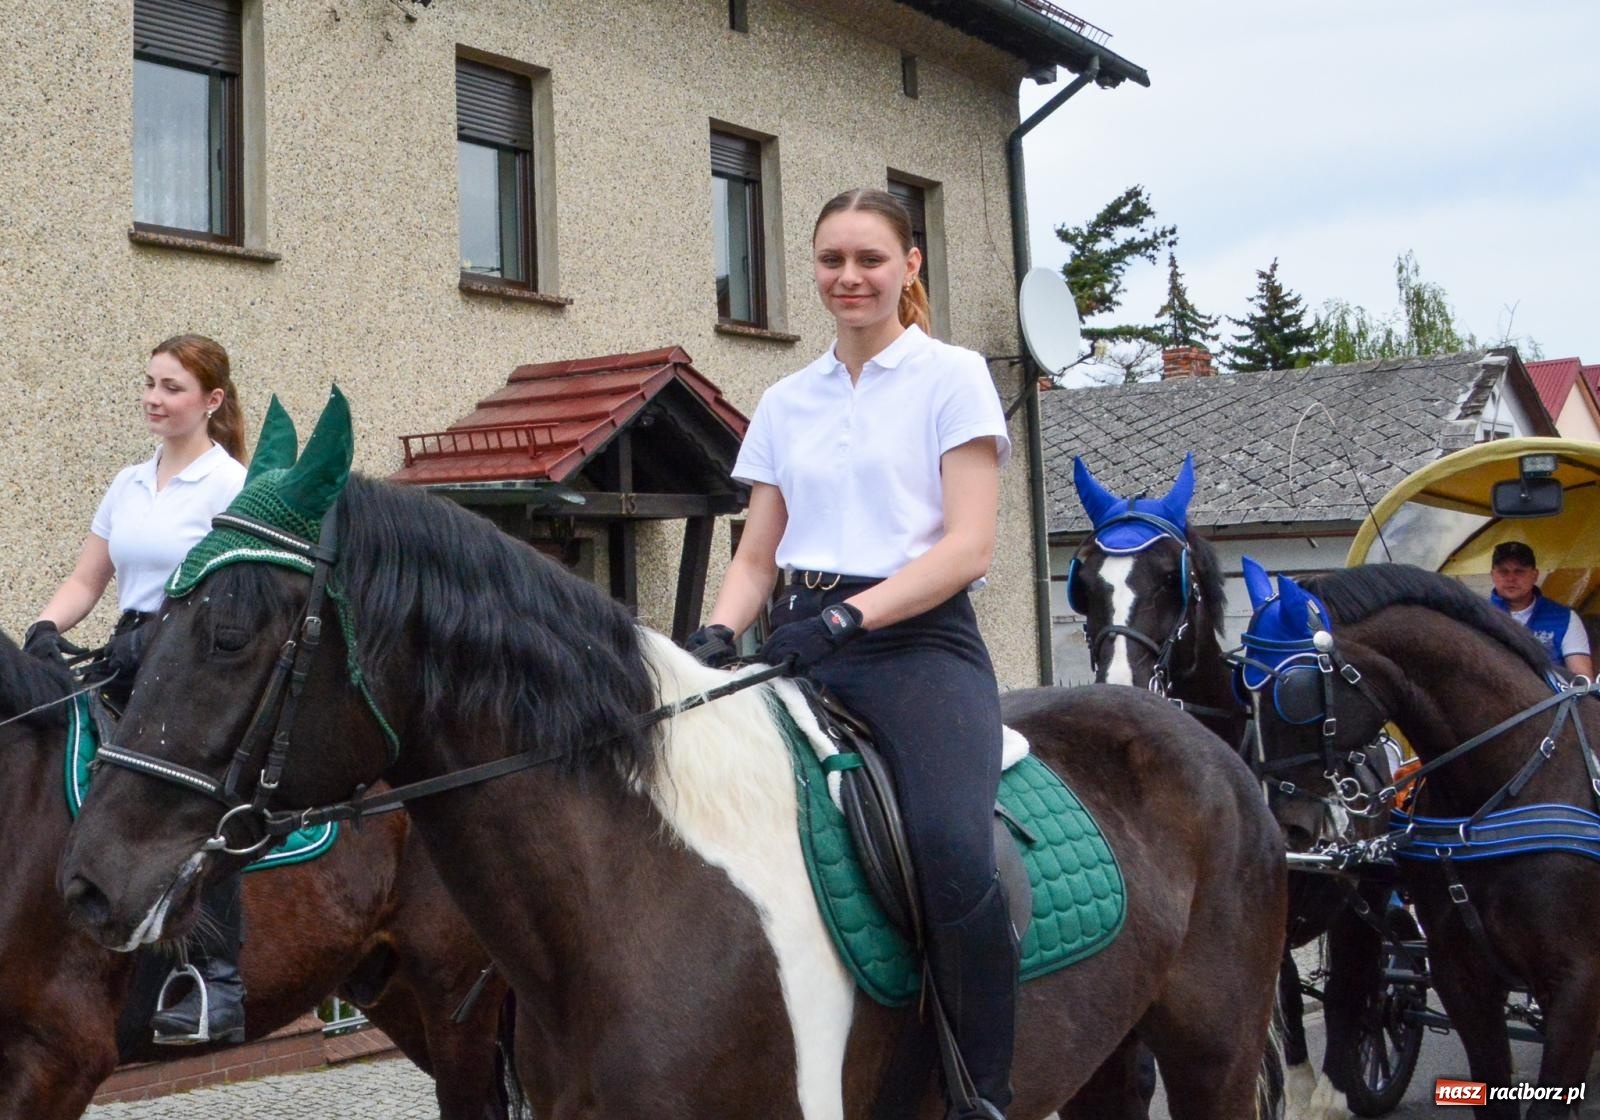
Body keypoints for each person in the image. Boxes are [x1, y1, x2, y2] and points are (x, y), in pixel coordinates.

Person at [685, 188, 1015, 1119]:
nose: (849, 277)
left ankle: (980, 1093)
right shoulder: (788, 399)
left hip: (919, 649)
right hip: (797, 640)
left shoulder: (952, 377)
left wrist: (852, 618)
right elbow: (756, 554)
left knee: (952, 852)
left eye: (870, 259)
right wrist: (716, 633)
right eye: (832, 260)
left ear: (910, 266)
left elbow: (969, 547)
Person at [27, 333, 250, 1045]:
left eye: (172, 388)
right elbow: (88, 578)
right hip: (128, 654)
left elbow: (234, 596)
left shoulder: (231, 485)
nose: (154, 398)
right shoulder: (128, 481)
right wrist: (44, 627)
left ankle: (212, 979)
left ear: (212, 401)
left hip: (194, 668)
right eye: (149, 383)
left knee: (186, 793)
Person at [1489, 540, 1594, 678]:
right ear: (1492, 575)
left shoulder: (1565, 618)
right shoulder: (1473, 617)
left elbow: (1582, 681)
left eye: (1519, 572)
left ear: (1535, 575)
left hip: (1550, 698)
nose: (1511, 578)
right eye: (1503, 572)